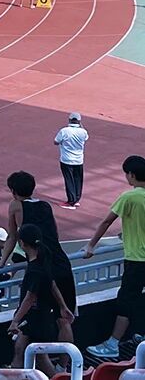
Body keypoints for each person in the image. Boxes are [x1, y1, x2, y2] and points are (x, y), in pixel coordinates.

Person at [0, 170, 76, 343]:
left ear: (13, 191)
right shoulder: (46, 205)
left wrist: (1, 261)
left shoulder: (15, 205)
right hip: (61, 262)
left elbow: (12, 236)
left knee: (30, 321)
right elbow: (55, 234)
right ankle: (66, 359)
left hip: (41, 267)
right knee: (64, 319)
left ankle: (32, 356)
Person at [83, 154, 145, 360]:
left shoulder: (129, 197)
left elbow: (106, 221)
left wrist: (91, 245)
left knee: (126, 301)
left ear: (132, 175)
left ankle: (113, 344)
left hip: (137, 259)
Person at [10, 224, 74, 374]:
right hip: (40, 317)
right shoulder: (44, 262)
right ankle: (16, 374)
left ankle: (55, 377)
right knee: (21, 349)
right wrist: (63, 306)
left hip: (35, 319)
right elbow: (52, 285)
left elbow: (30, 297)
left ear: (22, 243)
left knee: (39, 356)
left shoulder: (34, 270)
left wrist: (15, 320)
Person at [55, 111, 89, 208]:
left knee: (69, 180)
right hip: (78, 160)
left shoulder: (64, 131)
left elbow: (56, 141)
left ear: (69, 120)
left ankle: (71, 201)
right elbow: (86, 138)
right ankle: (76, 199)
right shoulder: (83, 132)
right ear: (79, 121)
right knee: (78, 179)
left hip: (66, 160)